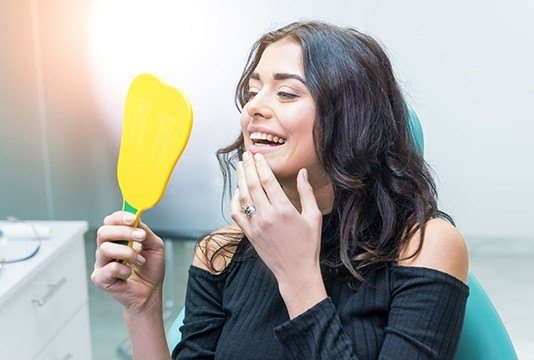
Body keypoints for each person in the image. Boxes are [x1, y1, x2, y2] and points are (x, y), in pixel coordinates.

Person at [91, 20, 469, 359]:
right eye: (252, 92)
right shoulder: (218, 252)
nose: (254, 108)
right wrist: (142, 310)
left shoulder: (422, 247)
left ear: (354, 119)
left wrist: (296, 275)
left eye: (286, 93)